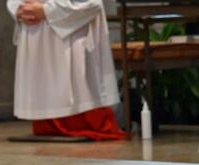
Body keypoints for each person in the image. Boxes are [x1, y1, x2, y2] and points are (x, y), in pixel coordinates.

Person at [8, 0, 126, 140]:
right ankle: (47, 123)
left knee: (73, 82)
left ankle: (78, 122)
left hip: (71, 34)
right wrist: (19, 10)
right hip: (36, 31)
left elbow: (92, 4)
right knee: (44, 81)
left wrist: (46, 11)